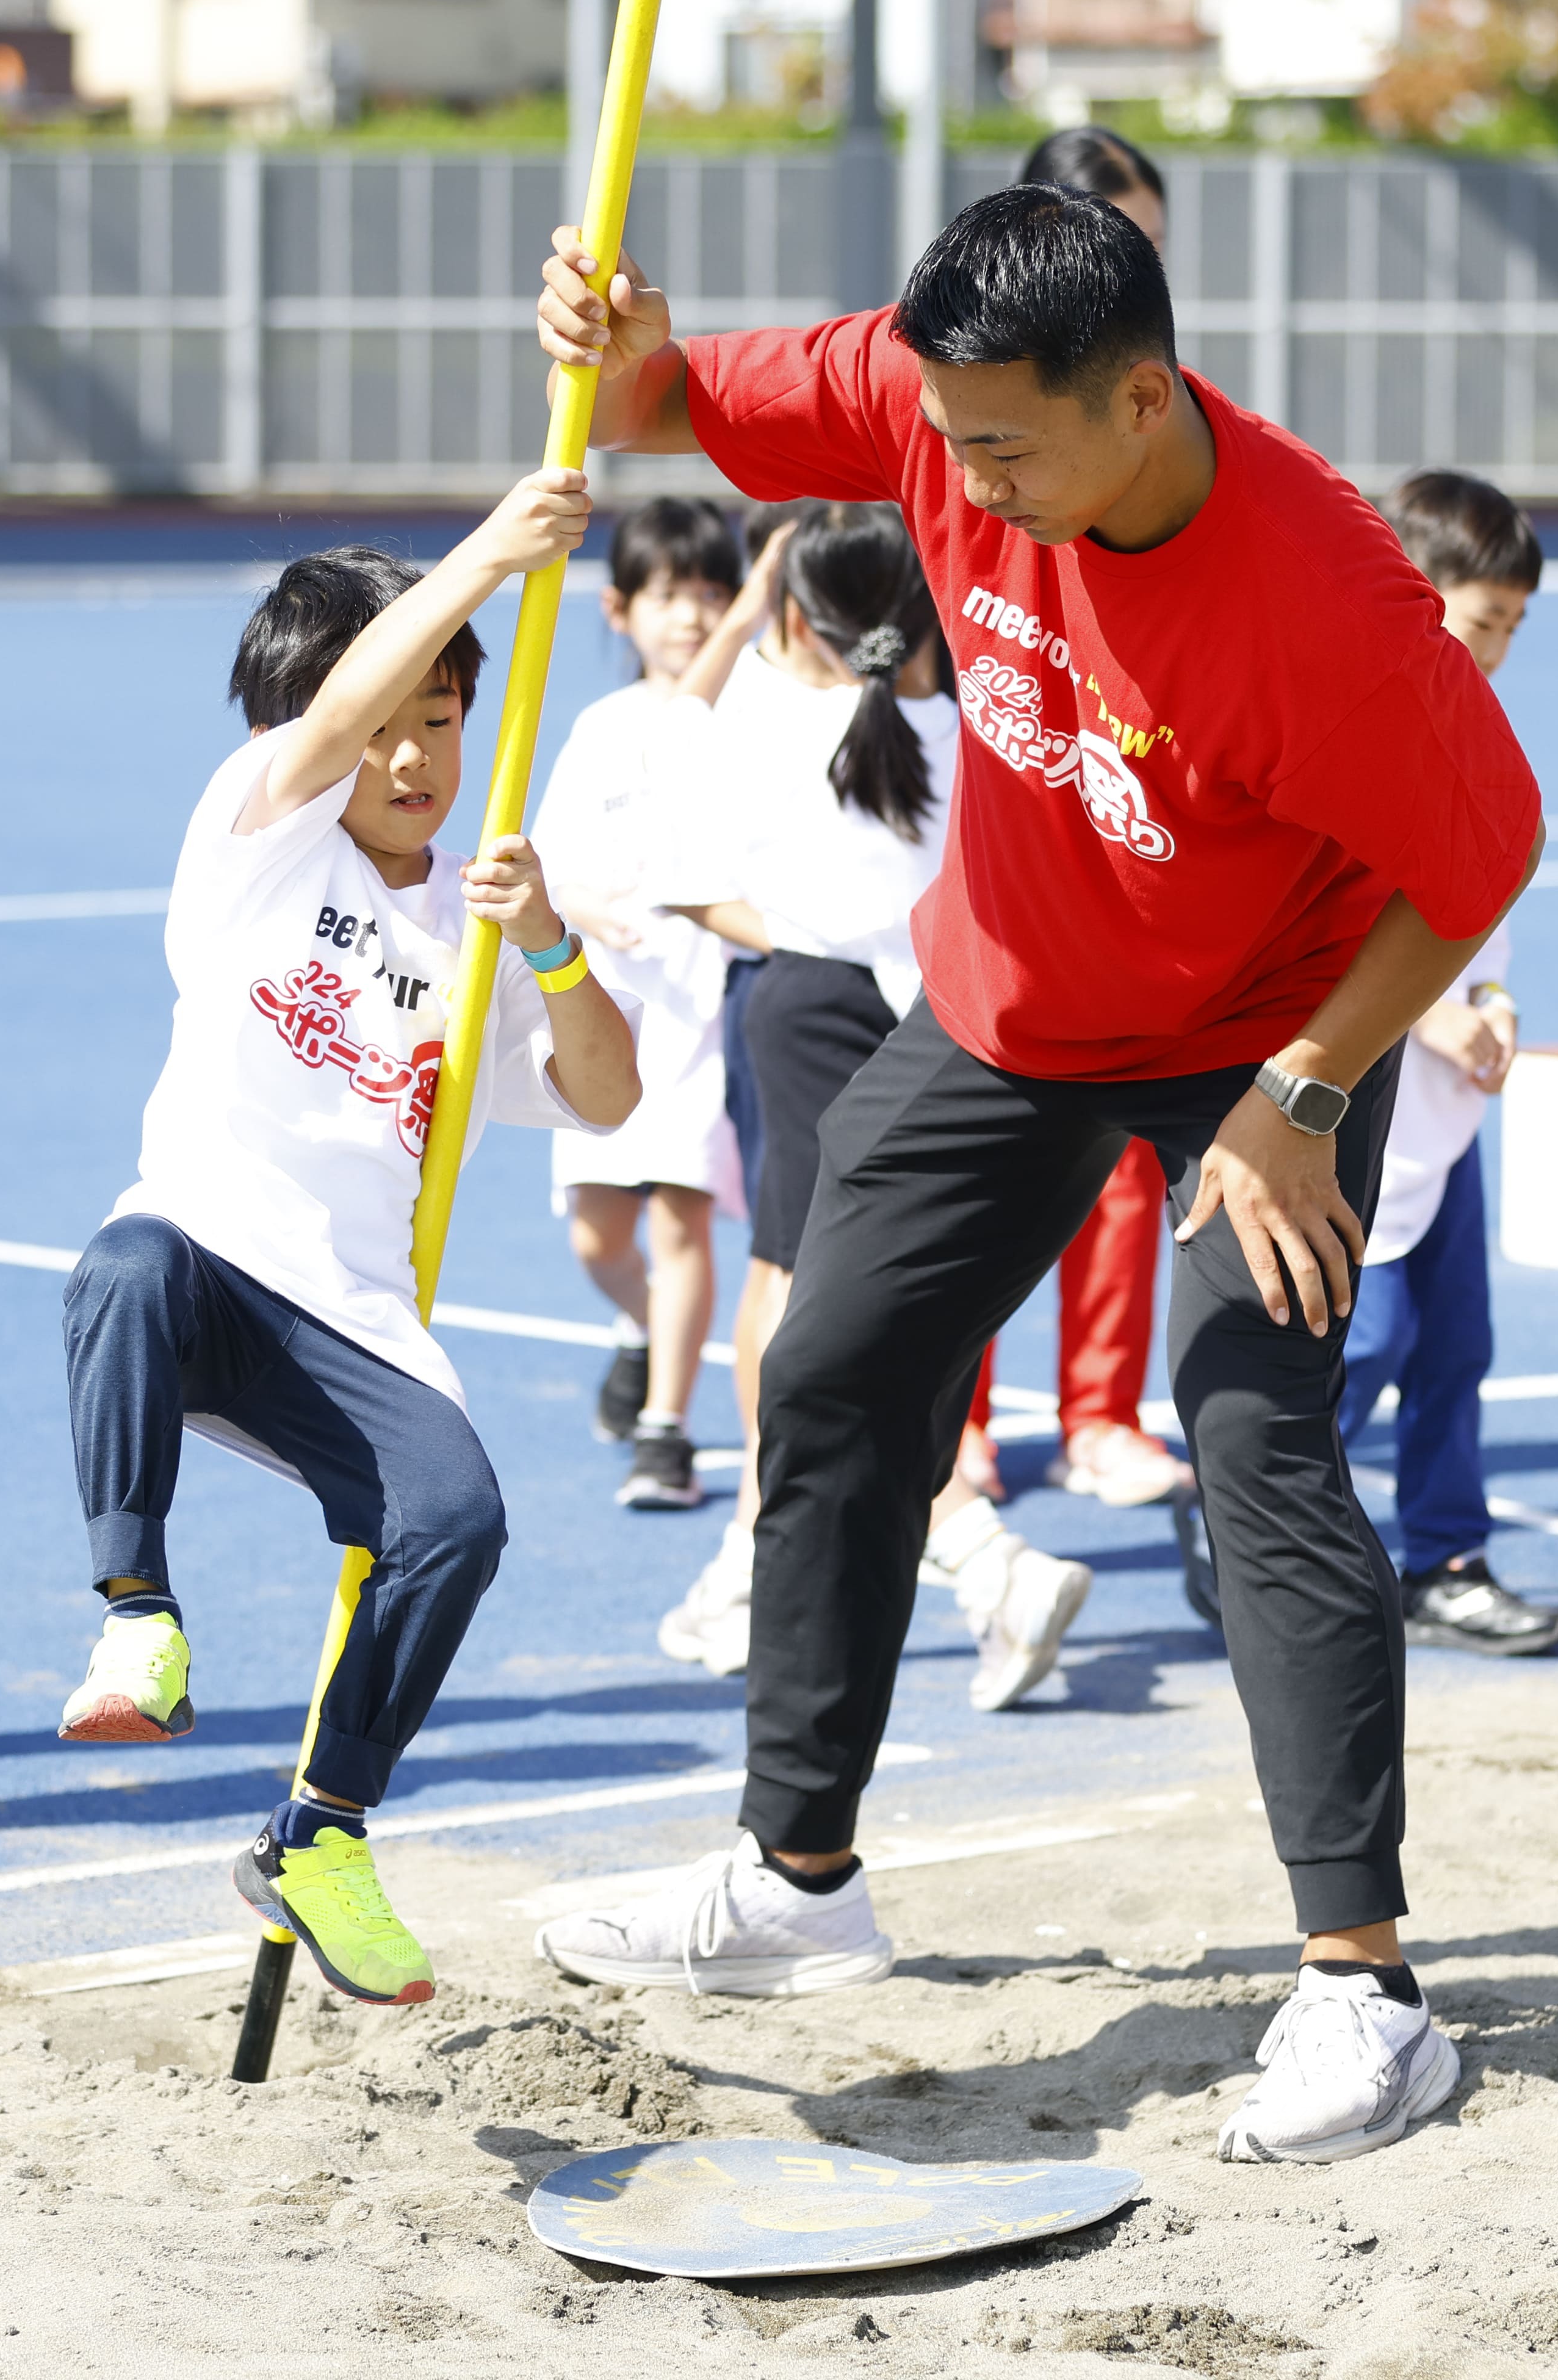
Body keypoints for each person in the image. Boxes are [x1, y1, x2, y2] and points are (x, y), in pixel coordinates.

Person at [526, 182, 1545, 2164]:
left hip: (1259, 1037)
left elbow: (1479, 860)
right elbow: (659, 399)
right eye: (950, 440)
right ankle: (798, 1885)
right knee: (826, 1371)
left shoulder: (1320, 606)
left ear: (1144, 402)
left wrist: (1310, 1090)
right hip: (1014, 1006)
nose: (964, 478)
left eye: (1005, 448)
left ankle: (1363, 1993)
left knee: (1252, 1429)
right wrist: (613, 337)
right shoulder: (934, 396)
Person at [53, 478, 643, 2008]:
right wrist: (490, 563)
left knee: (456, 1518)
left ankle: (322, 1828)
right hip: (199, 1257)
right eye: (390, 719)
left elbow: (606, 1091)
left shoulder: (474, 916)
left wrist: (558, 947)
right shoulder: (259, 832)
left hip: (349, 1315)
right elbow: (331, 726)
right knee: (121, 1266)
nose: (414, 757)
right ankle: (137, 1618)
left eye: (446, 724)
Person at [638, 500, 1094, 1712]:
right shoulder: (953, 724)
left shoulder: (763, 723)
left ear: (793, 610)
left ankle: (957, 1551)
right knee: (896, 1312)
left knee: (785, 1290)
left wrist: (750, 606)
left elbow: (683, 851)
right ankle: (858, 1549)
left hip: (810, 1008)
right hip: (945, 1028)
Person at [950, 120, 1194, 1515]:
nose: (1131, 251)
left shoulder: (1161, 415)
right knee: (976, 1154)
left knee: (1119, 1155)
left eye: (1150, 235)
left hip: (1131, 826)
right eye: (1109, 222)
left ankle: (1102, 1411)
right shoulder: (981, 411)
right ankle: (965, 1415)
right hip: (1000, 819)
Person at [1337, 471, 1558, 1659]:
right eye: (1486, 623)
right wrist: (1427, 1015)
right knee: (1358, 1342)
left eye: (1515, 628)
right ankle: (1246, 1514)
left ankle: (1446, 1556)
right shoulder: (1346, 726)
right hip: (1343, 1103)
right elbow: (1319, 926)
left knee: (1453, 1347)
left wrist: (1491, 999)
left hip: (1443, 1117)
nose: (1500, 650)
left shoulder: (1476, 727)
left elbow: (1485, 919)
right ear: (1412, 594)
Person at [534, 496, 745, 1511]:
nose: (693, 617)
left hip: (706, 1008)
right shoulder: (602, 729)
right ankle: (638, 1330)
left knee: (680, 1223)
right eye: (670, 596)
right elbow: (554, 866)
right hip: (610, 1010)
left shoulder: (750, 722)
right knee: (598, 1238)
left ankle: (666, 1432)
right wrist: (587, 912)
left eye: (714, 594)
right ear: (621, 611)